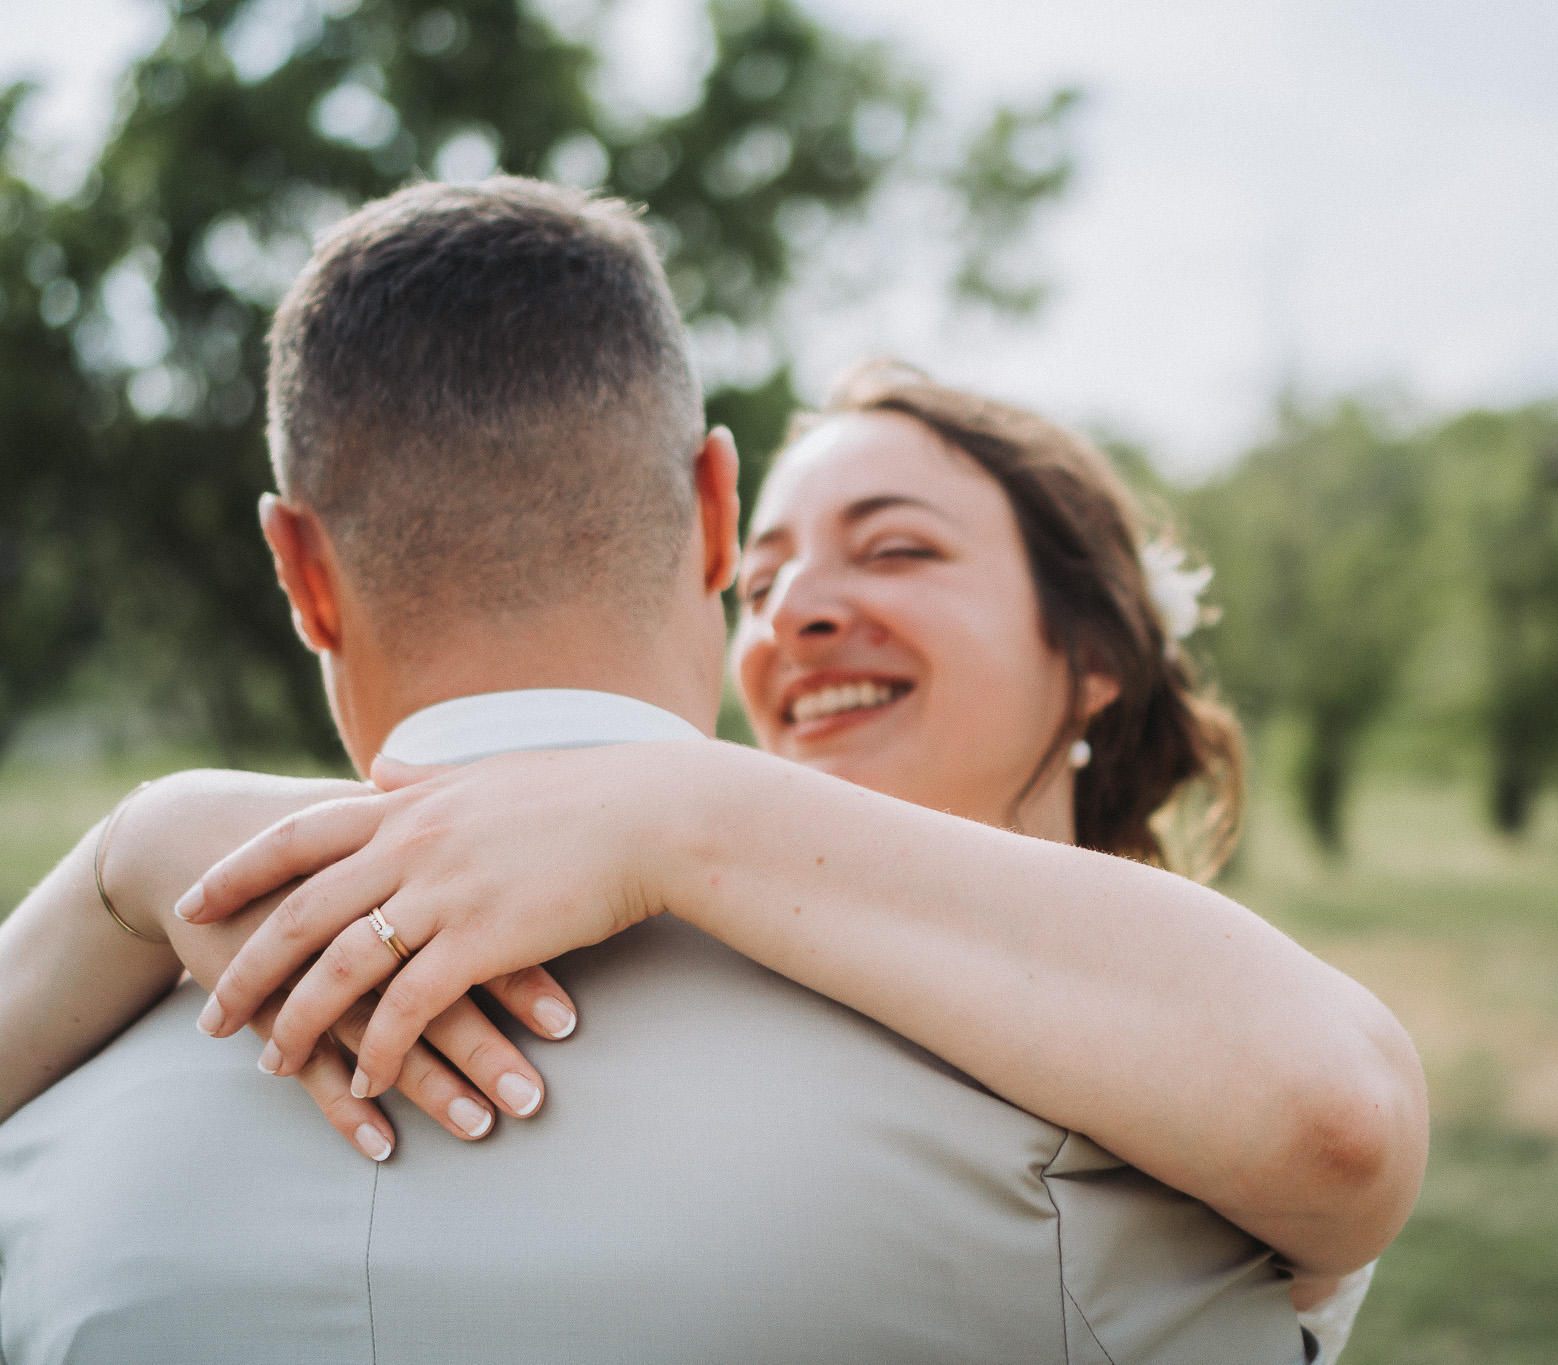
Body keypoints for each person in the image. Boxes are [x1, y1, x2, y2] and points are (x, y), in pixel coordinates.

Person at [0, 180, 1424, 1362]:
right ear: (712, 520)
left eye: (901, 545)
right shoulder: (1096, 1160)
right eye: (775, 560)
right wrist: (138, 850)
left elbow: (1337, 1114)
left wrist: (686, 807)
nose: (796, 607)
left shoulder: (1178, 1077)